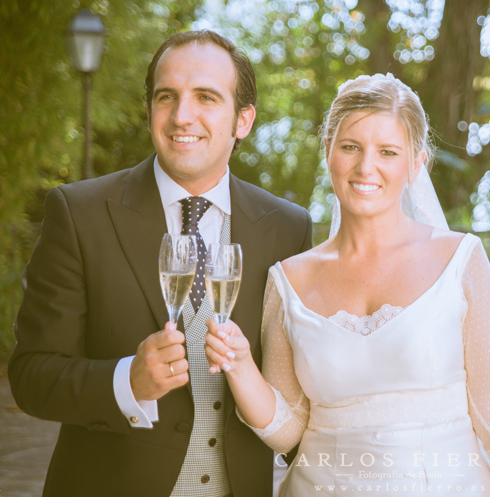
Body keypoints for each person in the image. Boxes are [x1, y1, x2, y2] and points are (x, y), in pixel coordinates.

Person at [204, 73, 490, 496]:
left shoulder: (461, 260)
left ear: (415, 162)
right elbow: (289, 429)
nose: (367, 167)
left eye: (388, 151)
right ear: (328, 151)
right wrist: (239, 367)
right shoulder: (287, 279)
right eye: (350, 147)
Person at [8, 30, 312, 496]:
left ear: (243, 120)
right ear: (150, 108)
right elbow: (31, 375)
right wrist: (123, 380)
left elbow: (298, 390)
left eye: (206, 97)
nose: (181, 116)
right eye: (166, 96)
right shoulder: (78, 213)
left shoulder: (288, 228)